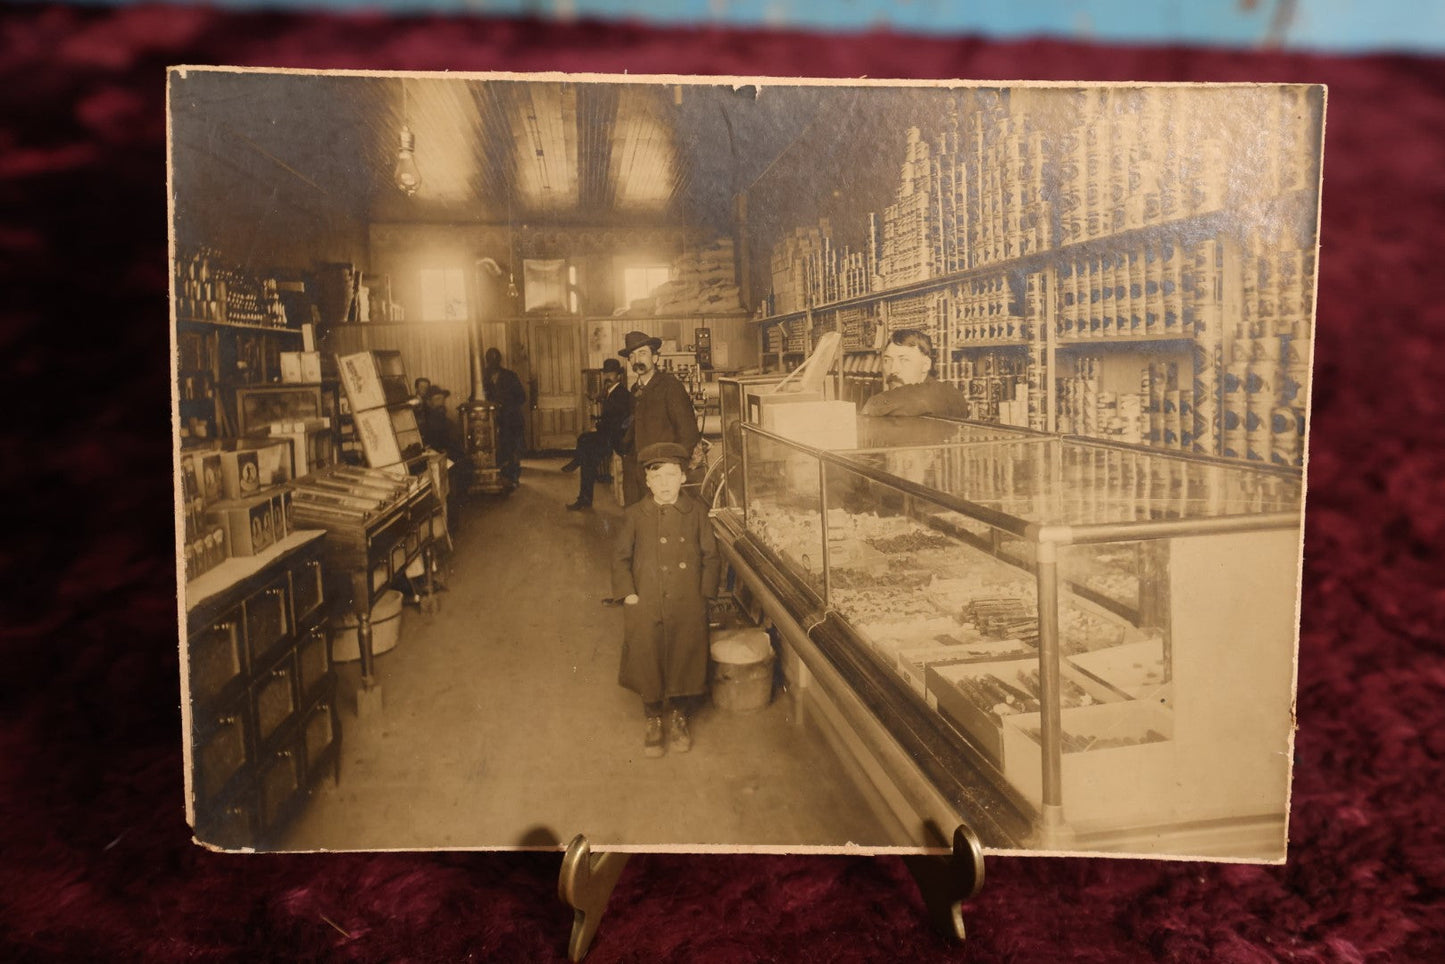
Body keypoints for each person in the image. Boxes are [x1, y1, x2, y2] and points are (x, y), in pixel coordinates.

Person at [611, 442, 720, 757]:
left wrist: (705, 595)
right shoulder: (635, 515)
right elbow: (620, 558)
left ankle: (679, 715)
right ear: (647, 481)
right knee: (648, 655)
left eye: (671, 476)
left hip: (687, 600)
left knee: (684, 655)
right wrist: (628, 593)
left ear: (683, 477)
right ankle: (652, 715)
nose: (664, 485)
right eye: (656, 478)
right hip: (646, 598)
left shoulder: (696, 512)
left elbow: (711, 556)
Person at [617, 330, 701, 506]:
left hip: (661, 472)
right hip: (636, 472)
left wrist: (673, 469)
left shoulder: (671, 387)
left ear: (655, 358)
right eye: (632, 356)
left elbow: (689, 433)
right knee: (638, 522)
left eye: (643, 353)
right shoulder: (634, 390)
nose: (637, 359)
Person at [565, 358, 632, 511]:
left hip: (616, 438)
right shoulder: (610, 392)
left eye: (611, 374)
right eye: (605, 373)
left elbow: (616, 421)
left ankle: (579, 468)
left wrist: (599, 427)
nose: (607, 376)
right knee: (585, 445)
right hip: (610, 434)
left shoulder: (620, 394)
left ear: (619, 376)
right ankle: (584, 493)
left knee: (586, 446)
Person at [859, 328, 970, 418]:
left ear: (926, 365)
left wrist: (874, 403)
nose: (893, 369)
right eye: (888, 361)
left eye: (904, 360)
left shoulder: (944, 393)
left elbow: (925, 396)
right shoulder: (899, 403)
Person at [482, 347, 527, 488]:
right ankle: (498, 478)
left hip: (510, 419)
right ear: (486, 361)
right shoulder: (481, 377)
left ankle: (513, 478)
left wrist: (506, 405)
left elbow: (522, 397)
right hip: (491, 421)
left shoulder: (510, 376)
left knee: (512, 449)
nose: (493, 363)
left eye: (495, 360)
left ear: (500, 360)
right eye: (490, 360)